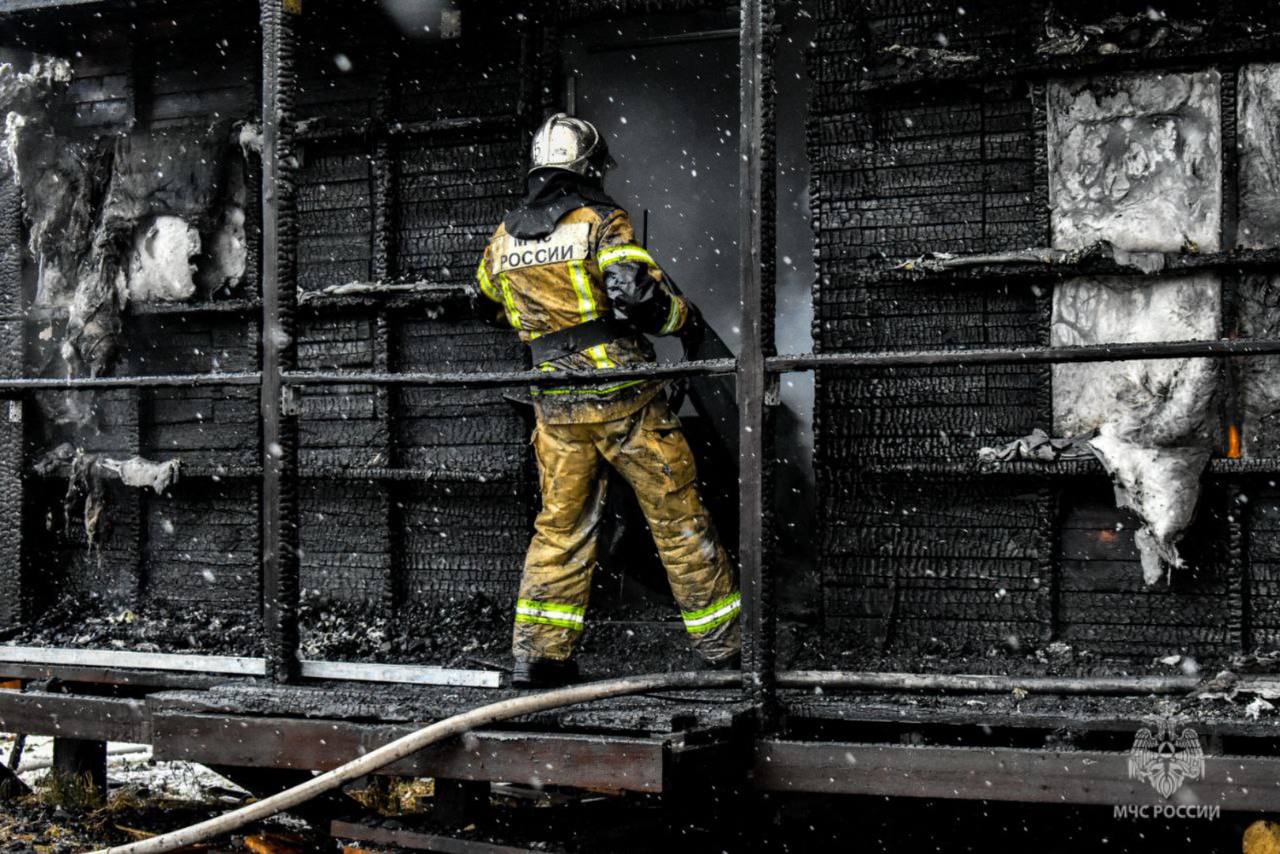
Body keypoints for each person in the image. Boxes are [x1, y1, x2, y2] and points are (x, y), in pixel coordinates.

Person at [474, 113, 741, 687]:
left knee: (561, 525)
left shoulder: (503, 236)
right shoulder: (599, 220)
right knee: (676, 516)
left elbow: (486, 299)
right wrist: (680, 317)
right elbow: (637, 294)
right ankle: (724, 650)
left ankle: (539, 659)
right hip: (623, 400)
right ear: (588, 167)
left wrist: (546, 321)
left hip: (556, 405)